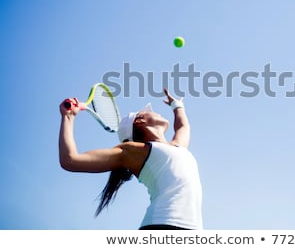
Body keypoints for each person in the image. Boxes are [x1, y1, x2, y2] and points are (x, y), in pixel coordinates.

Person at [58, 88, 203, 230]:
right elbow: (70, 160)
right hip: (162, 226)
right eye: (148, 111)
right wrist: (68, 117)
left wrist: (177, 105)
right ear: (139, 121)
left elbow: (183, 127)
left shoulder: (177, 146)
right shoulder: (133, 151)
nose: (154, 111)